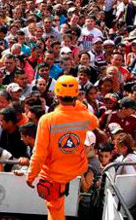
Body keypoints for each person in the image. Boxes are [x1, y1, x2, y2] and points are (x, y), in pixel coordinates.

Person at [26, 75, 100, 220]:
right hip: (77, 168)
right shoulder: (84, 116)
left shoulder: (47, 120)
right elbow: (94, 123)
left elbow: (40, 153)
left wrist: (31, 175)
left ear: (56, 95)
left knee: (55, 208)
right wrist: (78, 105)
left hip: (54, 173)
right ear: (77, 95)